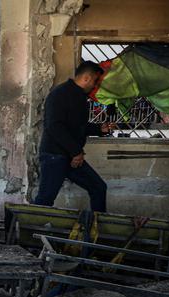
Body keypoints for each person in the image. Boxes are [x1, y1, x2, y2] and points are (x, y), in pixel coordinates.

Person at [34, 61, 117, 213]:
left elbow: (77, 127)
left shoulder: (80, 97)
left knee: (98, 187)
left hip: (71, 157)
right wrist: (76, 151)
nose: (95, 86)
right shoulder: (59, 94)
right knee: (45, 199)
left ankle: (95, 229)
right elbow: (54, 126)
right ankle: (24, 230)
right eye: (95, 81)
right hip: (55, 156)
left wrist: (100, 129)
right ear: (86, 78)